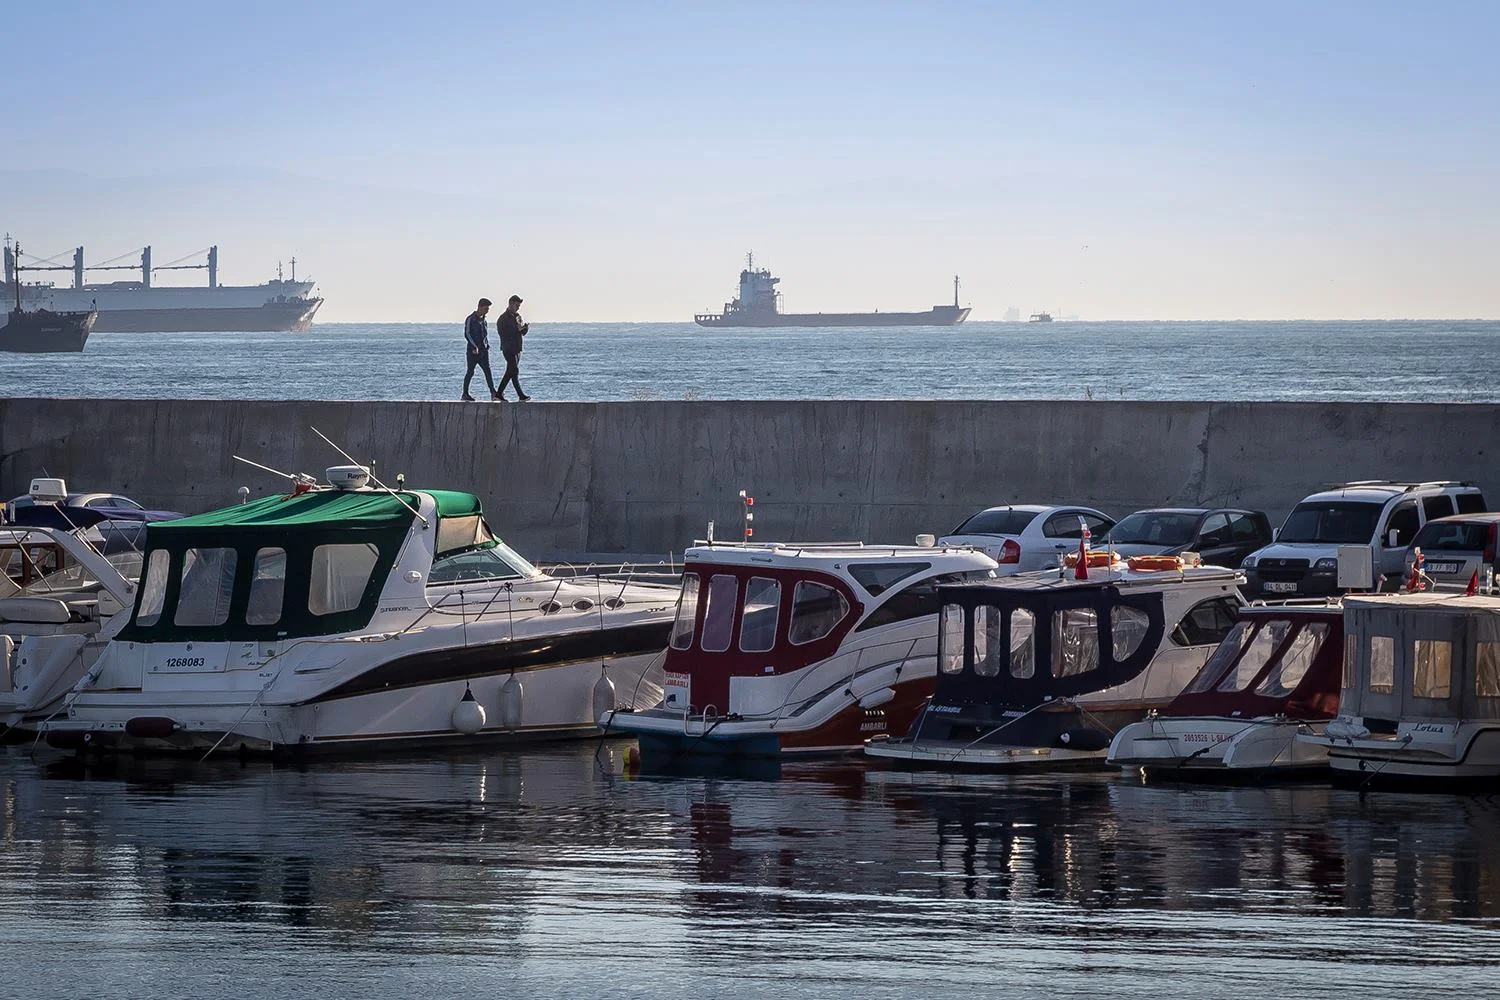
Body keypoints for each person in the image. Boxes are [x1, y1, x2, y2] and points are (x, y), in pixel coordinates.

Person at [462, 297, 500, 401]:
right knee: (470, 371)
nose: (487, 311)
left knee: (487, 371)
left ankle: (493, 392)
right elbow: (467, 334)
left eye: (488, 309)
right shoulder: (470, 319)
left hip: (483, 351)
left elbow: (485, 335)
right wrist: (474, 346)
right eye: (485, 308)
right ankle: (465, 394)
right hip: (472, 351)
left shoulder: (484, 320)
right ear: (480, 307)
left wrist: (486, 346)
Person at [495, 294, 531, 401]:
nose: (518, 308)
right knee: (514, 371)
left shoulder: (517, 316)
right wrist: (517, 330)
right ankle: (520, 395)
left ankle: (499, 393)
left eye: (519, 306)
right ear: (511, 304)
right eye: (516, 306)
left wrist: (525, 328)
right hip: (508, 348)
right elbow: (503, 333)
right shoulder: (503, 318)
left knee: (511, 372)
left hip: (517, 348)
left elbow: (522, 332)